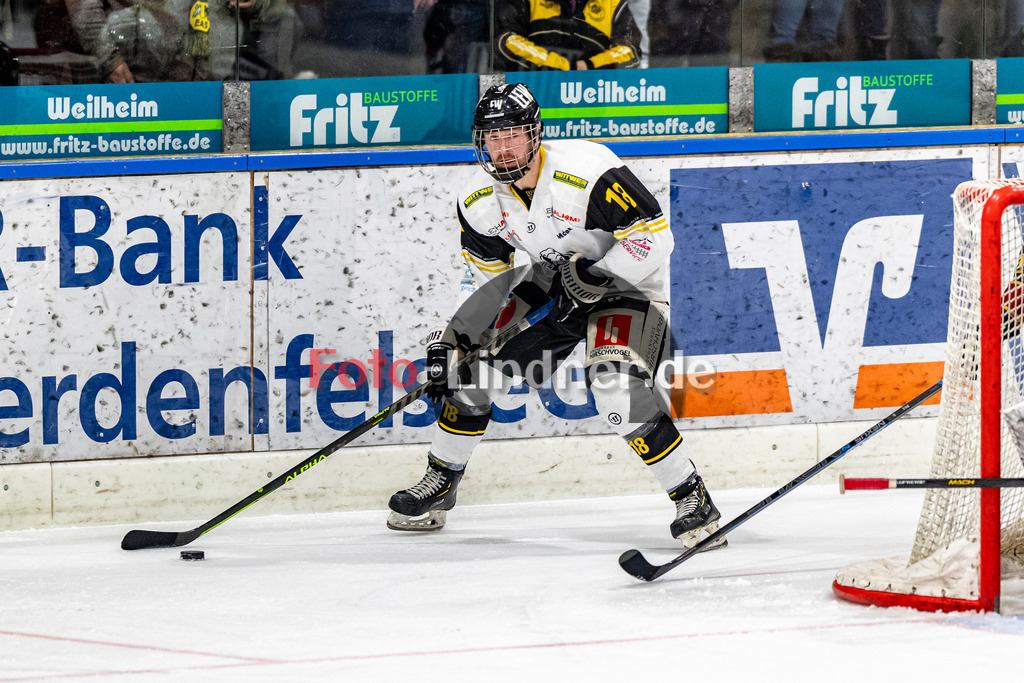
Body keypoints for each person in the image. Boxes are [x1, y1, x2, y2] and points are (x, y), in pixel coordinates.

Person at [386, 83, 724, 549]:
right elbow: (488, 280)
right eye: (491, 137)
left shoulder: (588, 170)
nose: (502, 148)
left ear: (535, 135)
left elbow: (655, 239)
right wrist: (456, 338)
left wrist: (598, 274)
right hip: (549, 287)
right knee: (473, 375)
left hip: (626, 290)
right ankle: (440, 482)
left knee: (614, 388)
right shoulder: (477, 200)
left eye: (513, 135)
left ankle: (693, 498)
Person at [495, 0, 642, 71]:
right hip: (531, 93)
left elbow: (630, 51)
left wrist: (590, 65)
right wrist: (561, 66)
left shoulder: (614, 2)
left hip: (592, 98)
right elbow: (505, 40)